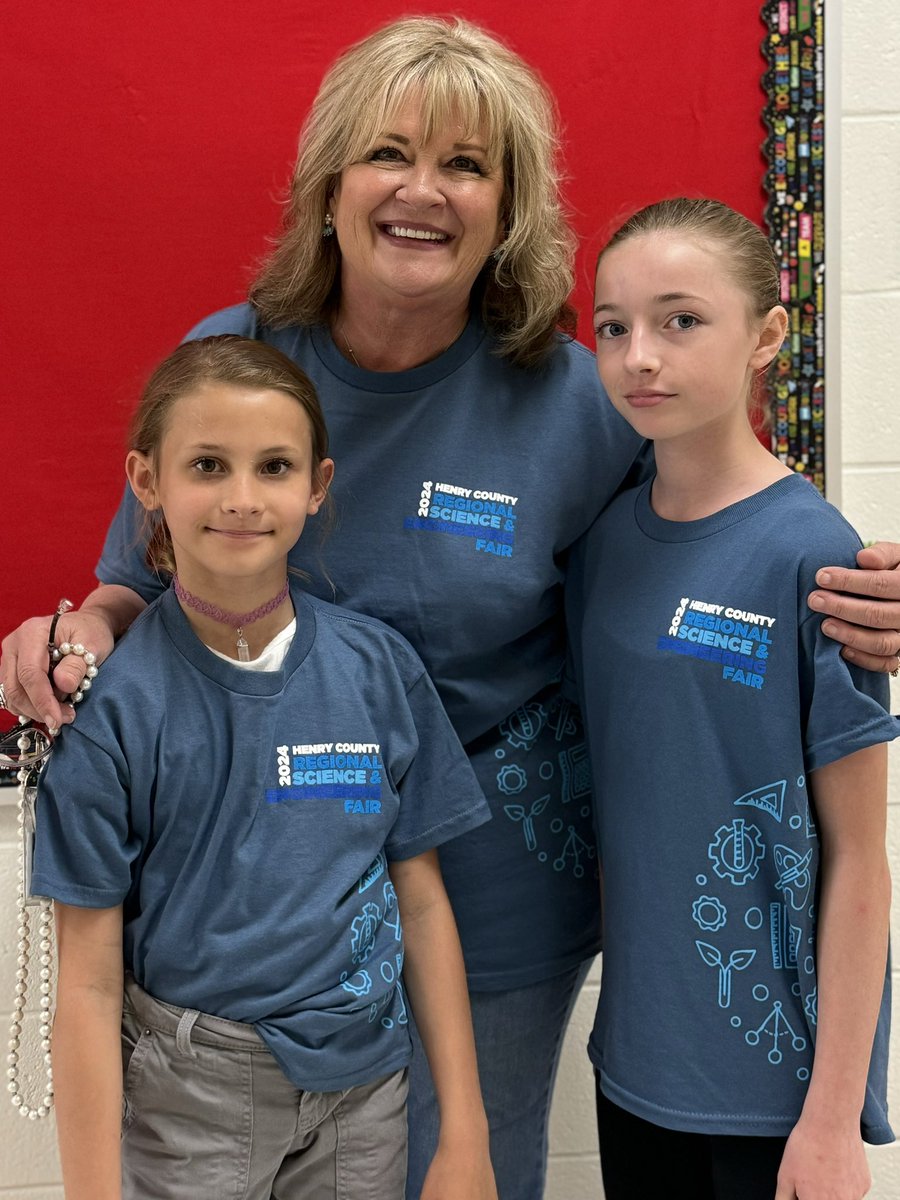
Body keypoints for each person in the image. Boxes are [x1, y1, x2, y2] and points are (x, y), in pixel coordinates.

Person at [2, 17, 899, 1199]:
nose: (423, 191)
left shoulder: (576, 397)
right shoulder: (232, 360)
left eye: (467, 165)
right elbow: (137, 581)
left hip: (497, 879)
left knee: (464, 1168)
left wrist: (852, 594)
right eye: (389, 153)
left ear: (507, 207)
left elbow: (711, 535)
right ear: (330, 185)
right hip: (247, 872)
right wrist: (78, 634)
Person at [31, 334, 497, 1200]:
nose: (241, 499)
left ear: (317, 487)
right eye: (207, 465)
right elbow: (89, 988)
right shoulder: (115, 712)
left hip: (366, 1095)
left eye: (274, 467)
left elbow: (424, 905)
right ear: (147, 482)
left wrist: (464, 1133)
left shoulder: (379, 670)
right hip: (191, 1101)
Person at [568, 198, 899, 1200]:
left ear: (765, 335)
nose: (640, 357)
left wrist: (835, 1117)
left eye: (681, 320)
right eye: (615, 326)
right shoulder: (604, 544)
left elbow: (858, 864)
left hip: (775, 1091)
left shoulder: (814, 556)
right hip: (633, 1063)